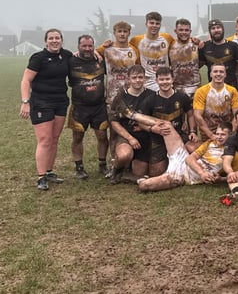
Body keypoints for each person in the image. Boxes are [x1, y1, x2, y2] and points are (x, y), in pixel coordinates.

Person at [20, 28, 73, 190]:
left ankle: (49, 171)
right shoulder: (38, 58)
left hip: (60, 102)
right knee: (45, 140)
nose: (54, 40)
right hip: (41, 102)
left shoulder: (67, 55)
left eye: (57, 38)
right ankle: (41, 177)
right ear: (46, 41)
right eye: (51, 38)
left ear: (62, 40)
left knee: (55, 138)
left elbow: (80, 58)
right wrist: (25, 101)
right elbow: (26, 80)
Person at [137, 124, 230, 192]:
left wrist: (221, 179)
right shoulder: (210, 143)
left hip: (181, 175)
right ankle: (133, 115)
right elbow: (189, 159)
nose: (218, 137)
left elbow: (233, 176)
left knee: (144, 186)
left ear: (230, 136)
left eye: (223, 135)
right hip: (182, 159)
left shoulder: (232, 153)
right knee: (165, 126)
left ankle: (143, 180)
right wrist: (202, 173)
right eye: (217, 134)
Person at [67, 34, 109, 179]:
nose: (87, 49)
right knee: (78, 137)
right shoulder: (70, 61)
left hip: (99, 106)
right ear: (78, 46)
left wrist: (99, 50)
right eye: (84, 46)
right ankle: (79, 168)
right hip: (79, 107)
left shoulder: (100, 59)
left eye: (90, 46)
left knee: (102, 136)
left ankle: (103, 165)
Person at [108, 65, 156, 183]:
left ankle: (127, 172)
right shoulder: (120, 97)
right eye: (134, 77)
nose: (138, 80)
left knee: (142, 173)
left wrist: (146, 128)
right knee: (125, 155)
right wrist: (130, 138)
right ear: (128, 79)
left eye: (140, 77)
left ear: (145, 78)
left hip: (146, 138)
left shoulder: (152, 95)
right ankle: (116, 170)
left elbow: (156, 119)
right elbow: (114, 122)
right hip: (126, 136)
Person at [148, 66, 198, 168]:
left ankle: (181, 160)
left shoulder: (182, 96)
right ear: (156, 81)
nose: (165, 82)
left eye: (167, 79)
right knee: (156, 171)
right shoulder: (150, 99)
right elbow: (143, 121)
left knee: (195, 150)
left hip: (178, 135)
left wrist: (192, 131)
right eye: (161, 79)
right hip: (158, 139)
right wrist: (152, 129)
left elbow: (190, 114)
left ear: (173, 80)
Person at [96, 20, 140, 113]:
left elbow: (139, 69)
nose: (122, 34)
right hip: (112, 93)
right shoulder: (106, 49)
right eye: (119, 31)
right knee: (113, 121)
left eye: (125, 31)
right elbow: (92, 53)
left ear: (129, 33)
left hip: (131, 92)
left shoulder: (134, 50)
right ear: (114, 33)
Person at [192, 64, 238, 144]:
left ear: (225, 74)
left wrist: (230, 134)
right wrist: (210, 135)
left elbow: (237, 115)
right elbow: (198, 116)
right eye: (215, 71)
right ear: (210, 74)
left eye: (221, 72)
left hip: (226, 132)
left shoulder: (232, 91)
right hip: (208, 133)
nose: (218, 74)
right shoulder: (201, 91)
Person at [129, 11, 175, 91]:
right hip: (146, 84)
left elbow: (180, 44)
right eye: (151, 23)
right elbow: (124, 47)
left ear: (160, 25)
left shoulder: (167, 38)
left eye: (157, 23)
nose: (154, 26)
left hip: (164, 81)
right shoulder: (136, 40)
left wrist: (195, 40)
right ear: (146, 24)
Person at [199, 19, 238, 93]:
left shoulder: (233, 46)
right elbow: (196, 67)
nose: (216, 30)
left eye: (218, 27)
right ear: (210, 31)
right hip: (212, 90)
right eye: (213, 28)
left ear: (223, 29)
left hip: (231, 88)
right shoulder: (204, 47)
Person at [169, 18, 201, 98]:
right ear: (175, 31)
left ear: (190, 31)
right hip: (176, 88)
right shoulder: (170, 45)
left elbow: (202, 62)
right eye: (181, 30)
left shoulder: (197, 45)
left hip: (195, 87)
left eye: (186, 30)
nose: (184, 32)